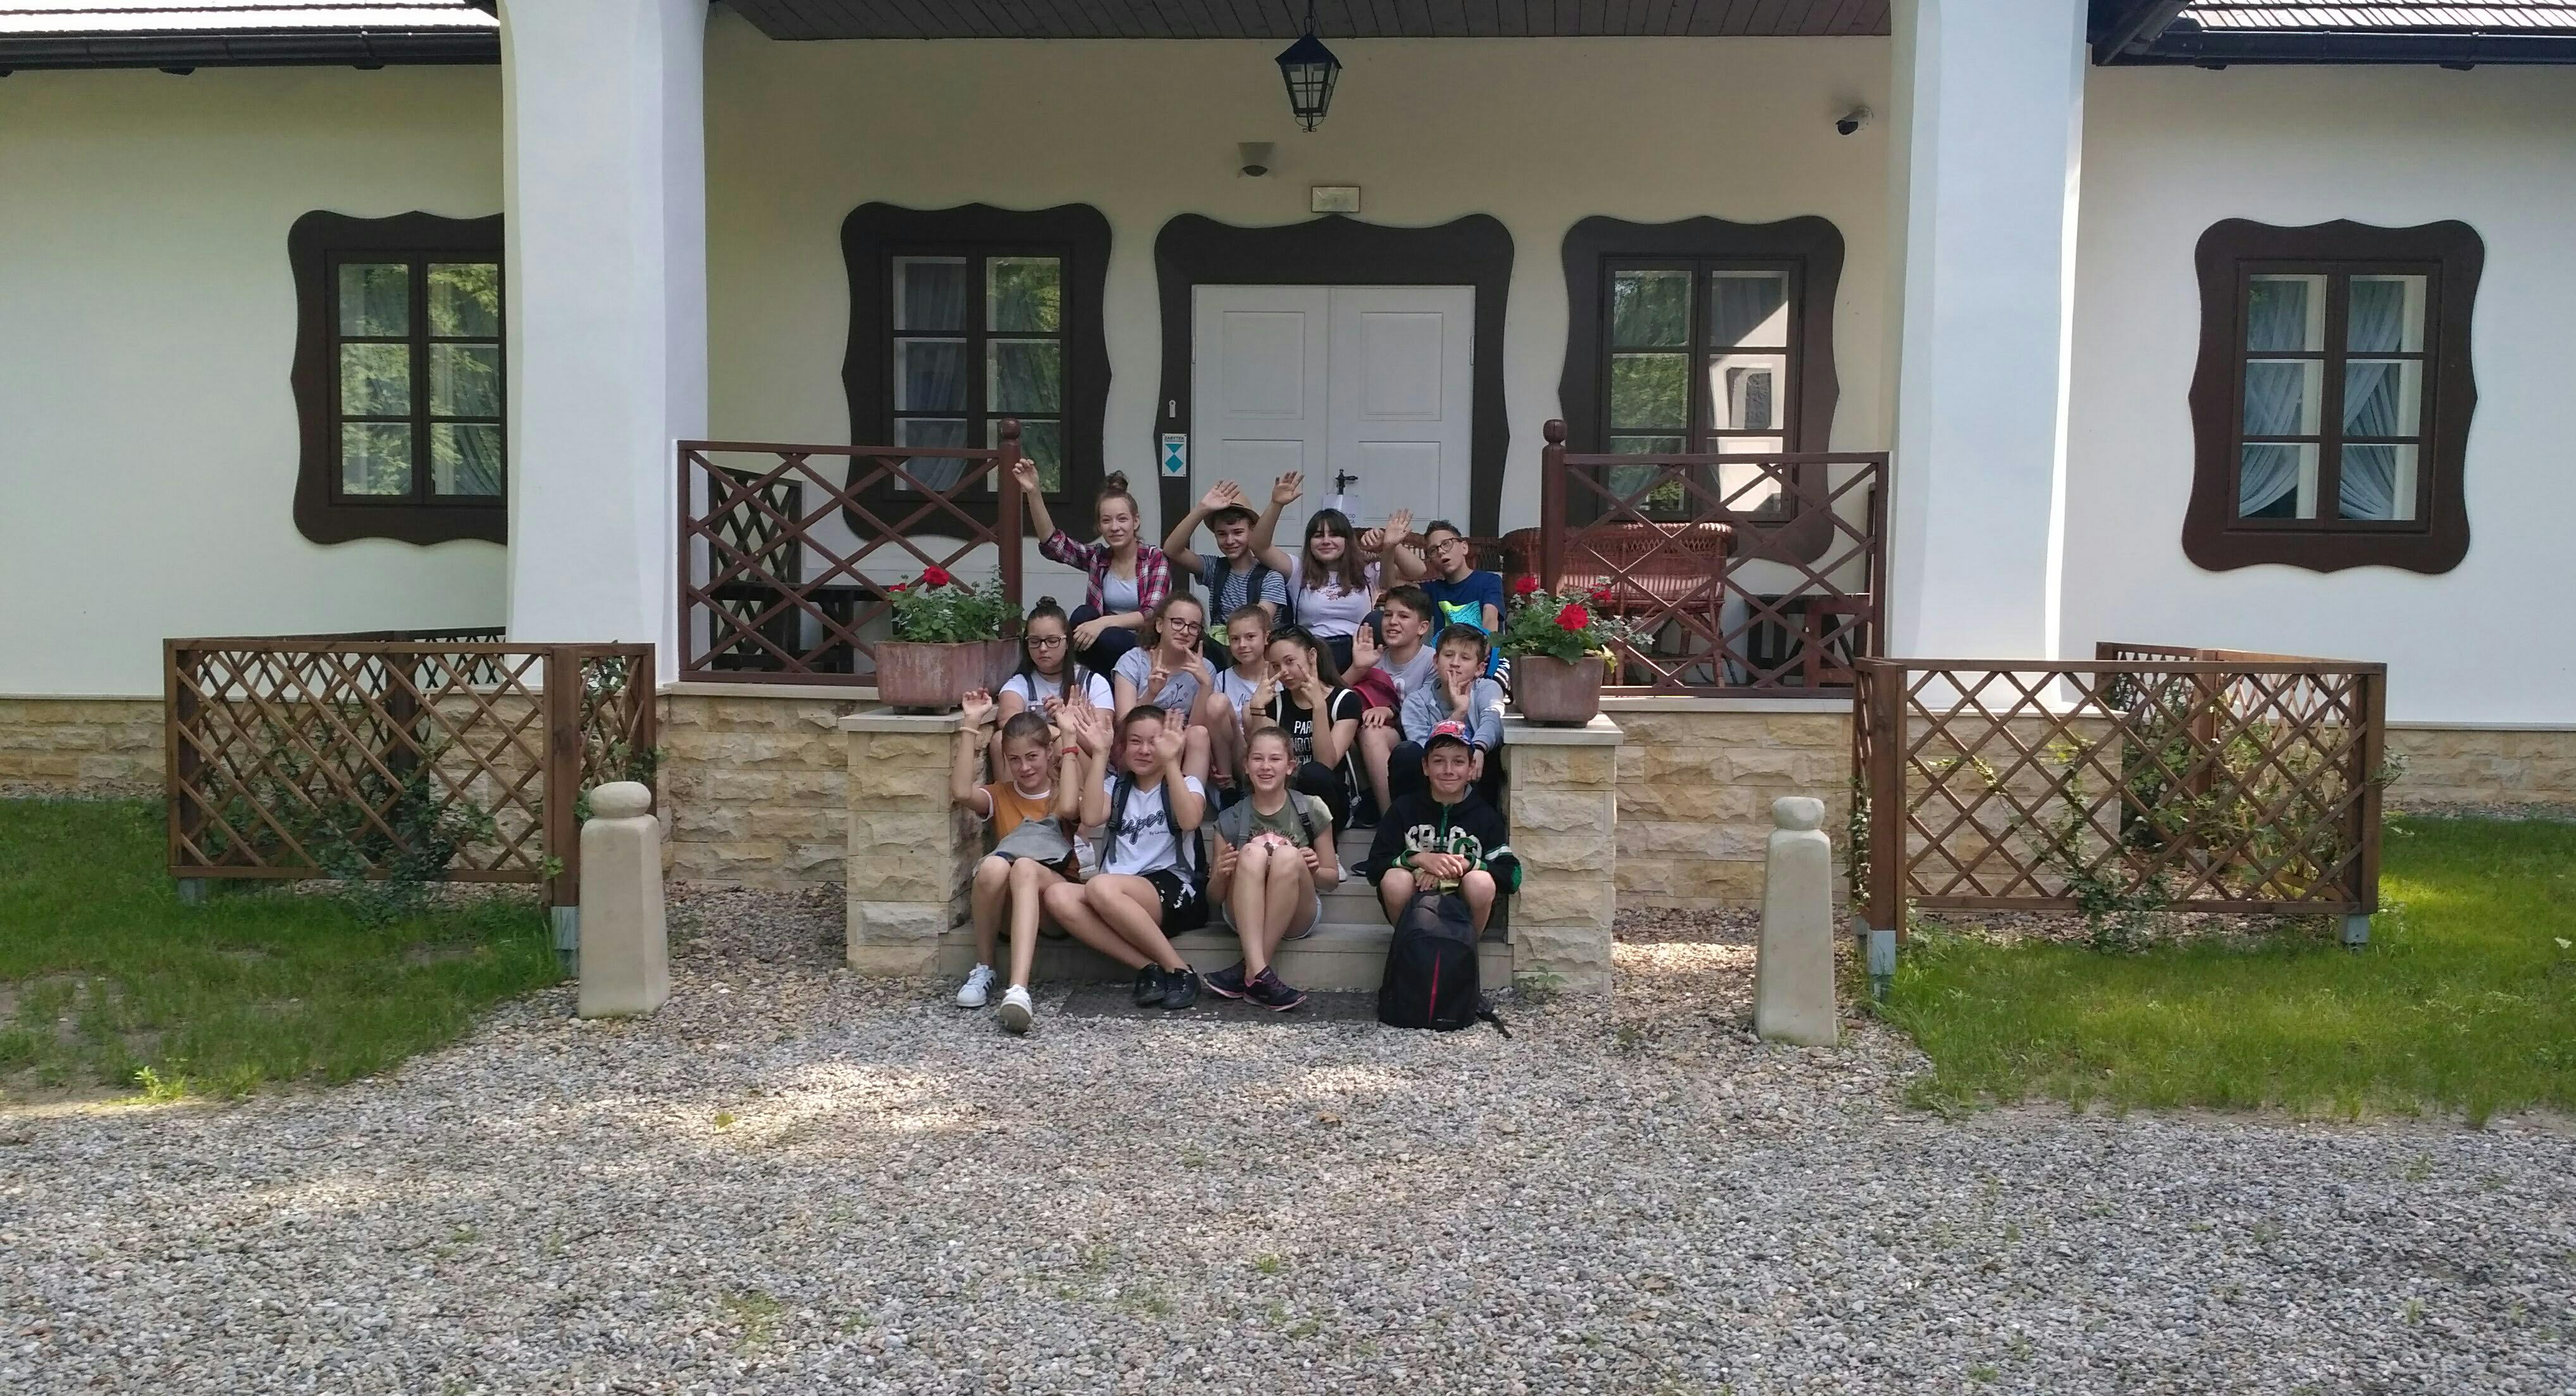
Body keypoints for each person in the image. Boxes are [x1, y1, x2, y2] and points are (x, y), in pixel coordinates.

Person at [1043, 702, 1209, 1010]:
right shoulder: (1115, 787)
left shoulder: (1187, 784)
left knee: (1100, 886)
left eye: (1154, 742)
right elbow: (1091, 817)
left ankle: (1180, 970)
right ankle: (1148, 967)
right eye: (1135, 741)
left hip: (1173, 890)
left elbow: (1189, 821)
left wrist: (1171, 762)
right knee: (1057, 896)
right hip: (1115, 892)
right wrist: (1100, 753)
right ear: (1124, 746)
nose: (1144, 750)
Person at [947, 693, 1083, 1034]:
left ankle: (1019, 989)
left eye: (1032, 757)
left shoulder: (1061, 791)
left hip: (1054, 906)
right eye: (1015, 760)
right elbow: (962, 792)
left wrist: (1068, 737)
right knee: (994, 866)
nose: (1025, 768)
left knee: (1023, 867)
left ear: (1048, 753)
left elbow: (1069, 808)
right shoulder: (1001, 794)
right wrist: (971, 724)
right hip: (1011, 911)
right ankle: (984, 968)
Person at [1204, 724, 1338, 1012]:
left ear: (1290, 767)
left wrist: (1313, 869)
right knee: (1251, 852)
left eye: (1275, 759)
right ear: (1246, 766)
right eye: (1258, 759)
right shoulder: (1230, 819)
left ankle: (1249, 970)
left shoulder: (1312, 809)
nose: (1266, 767)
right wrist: (1222, 875)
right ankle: (1259, 976)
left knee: (1287, 856)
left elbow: (1331, 880)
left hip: (1298, 913)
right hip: (1242, 914)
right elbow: (1214, 897)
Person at [1358, 720, 1522, 938]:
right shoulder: (1403, 809)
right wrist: (1419, 860)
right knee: (1394, 880)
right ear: (1425, 766)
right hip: (1417, 904)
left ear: (1471, 767)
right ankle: (1410, 942)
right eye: (1439, 761)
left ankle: (1465, 947)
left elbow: (1513, 875)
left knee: (1481, 882)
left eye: (1458, 762)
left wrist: (1466, 865)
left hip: (1464, 910)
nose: (1448, 770)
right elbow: (1374, 868)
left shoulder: (1485, 816)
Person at [1018, 462, 1171, 675]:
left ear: (1135, 522)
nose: (1115, 527)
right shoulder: (1098, 558)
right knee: (1083, 614)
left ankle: (1095, 677)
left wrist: (1102, 623)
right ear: (1100, 526)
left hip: (1143, 645)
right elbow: (1054, 544)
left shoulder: (1154, 558)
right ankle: (1059, 676)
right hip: (1101, 645)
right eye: (1107, 521)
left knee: (1106, 633)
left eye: (1122, 519)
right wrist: (1034, 492)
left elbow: (1151, 613)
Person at [1255, 500, 1425, 672]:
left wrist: (1389, 546)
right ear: (1309, 542)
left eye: (1334, 535)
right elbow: (1260, 547)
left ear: (1347, 540)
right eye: (1318, 536)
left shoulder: (1366, 572)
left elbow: (1418, 571)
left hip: (1358, 655)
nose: (1326, 541)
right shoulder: (1299, 570)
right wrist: (1277, 503)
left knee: (1376, 619)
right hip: (1314, 658)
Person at [1245, 625, 1362, 838]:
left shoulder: (1345, 700)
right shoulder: (1276, 703)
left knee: (1313, 773)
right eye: (1276, 666)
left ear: (1312, 656)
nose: (1284, 672)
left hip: (1331, 801)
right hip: (1286, 797)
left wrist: (1319, 707)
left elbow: (1326, 764)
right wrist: (1257, 709)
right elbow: (1263, 758)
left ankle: (1326, 849)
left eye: (1290, 661)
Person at [1162, 479, 1293, 660]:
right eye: (1222, 534)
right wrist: (1202, 509)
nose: (1230, 541)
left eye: (1238, 532)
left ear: (1253, 531)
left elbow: (1258, 623)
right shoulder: (1214, 568)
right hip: (1218, 652)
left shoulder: (1271, 576)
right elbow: (1172, 550)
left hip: (1256, 654)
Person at [1345, 584, 1440, 821]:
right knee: (1362, 729)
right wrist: (1357, 668)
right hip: (1373, 742)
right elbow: (1335, 700)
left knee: (1372, 731)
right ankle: (1385, 814)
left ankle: (1390, 820)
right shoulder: (1373, 657)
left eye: (1403, 616)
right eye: (1388, 615)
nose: (1392, 622)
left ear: (1423, 627)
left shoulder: (1432, 661)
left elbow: (1429, 708)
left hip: (1417, 739)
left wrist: (1391, 711)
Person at [1110, 592, 1222, 779]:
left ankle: (1190, 795)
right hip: (1140, 744)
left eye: (1193, 627)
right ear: (1160, 625)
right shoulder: (1133, 661)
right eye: (1178, 623)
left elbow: (1195, 728)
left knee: (1198, 734)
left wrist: (1205, 685)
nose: (1185, 632)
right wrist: (1151, 693)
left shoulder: (1204, 668)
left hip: (1180, 744)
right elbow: (1123, 727)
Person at [1392, 623, 1507, 803]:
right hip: (1432, 783)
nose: (1455, 663)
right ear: (1436, 661)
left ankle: (1482, 816)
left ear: (1479, 669)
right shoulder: (1416, 701)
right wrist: (1458, 714)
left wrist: (1478, 748)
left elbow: (1492, 721)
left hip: (1477, 777)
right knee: (1406, 753)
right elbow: (1425, 750)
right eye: (1448, 655)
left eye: (1465, 658)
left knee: (1492, 751)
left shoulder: (1487, 689)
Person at [993, 596, 1114, 750]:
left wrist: (1067, 723)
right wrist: (1054, 731)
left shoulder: (1094, 683)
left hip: (1084, 760)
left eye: (1052, 641)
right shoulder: (1019, 683)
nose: (1043, 648)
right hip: (1037, 760)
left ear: (1067, 642)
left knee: (1060, 746)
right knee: (1000, 740)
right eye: (1035, 641)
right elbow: (1007, 720)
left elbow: (1101, 745)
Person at [1207, 603, 1276, 793]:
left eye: (1250, 637)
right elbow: (1214, 727)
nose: (1242, 645)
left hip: (1271, 757)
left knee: (1250, 712)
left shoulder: (1280, 677)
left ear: (1266, 637)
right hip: (1235, 757)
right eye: (1235, 639)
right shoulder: (1222, 679)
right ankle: (1228, 789)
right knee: (1216, 703)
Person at [1417, 519, 1505, 634]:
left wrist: (1485, 644)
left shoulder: (1489, 581)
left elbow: (1490, 618)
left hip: (1482, 645)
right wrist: (1394, 546)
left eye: (1446, 544)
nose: (1440, 551)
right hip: (1444, 646)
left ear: (1464, 547)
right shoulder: (1434, 590)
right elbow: (1395, 587)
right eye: (1433, 550)